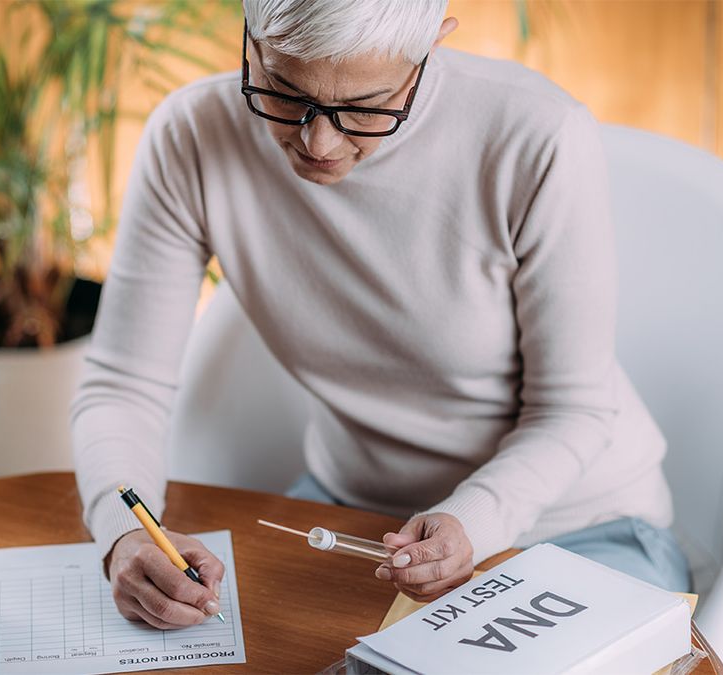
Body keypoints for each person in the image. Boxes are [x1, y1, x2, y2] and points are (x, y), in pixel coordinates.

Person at [71, 0, 691, 630]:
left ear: (432, 47)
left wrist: (472, 521)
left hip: (579, 526)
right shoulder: (193, 138)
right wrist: (125, 536)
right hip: (351, 520)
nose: (318, 143)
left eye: (365, 107)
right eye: (283, 92)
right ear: (249, 39)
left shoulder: (536, 135)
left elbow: (573, 409)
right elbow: (124, 384)